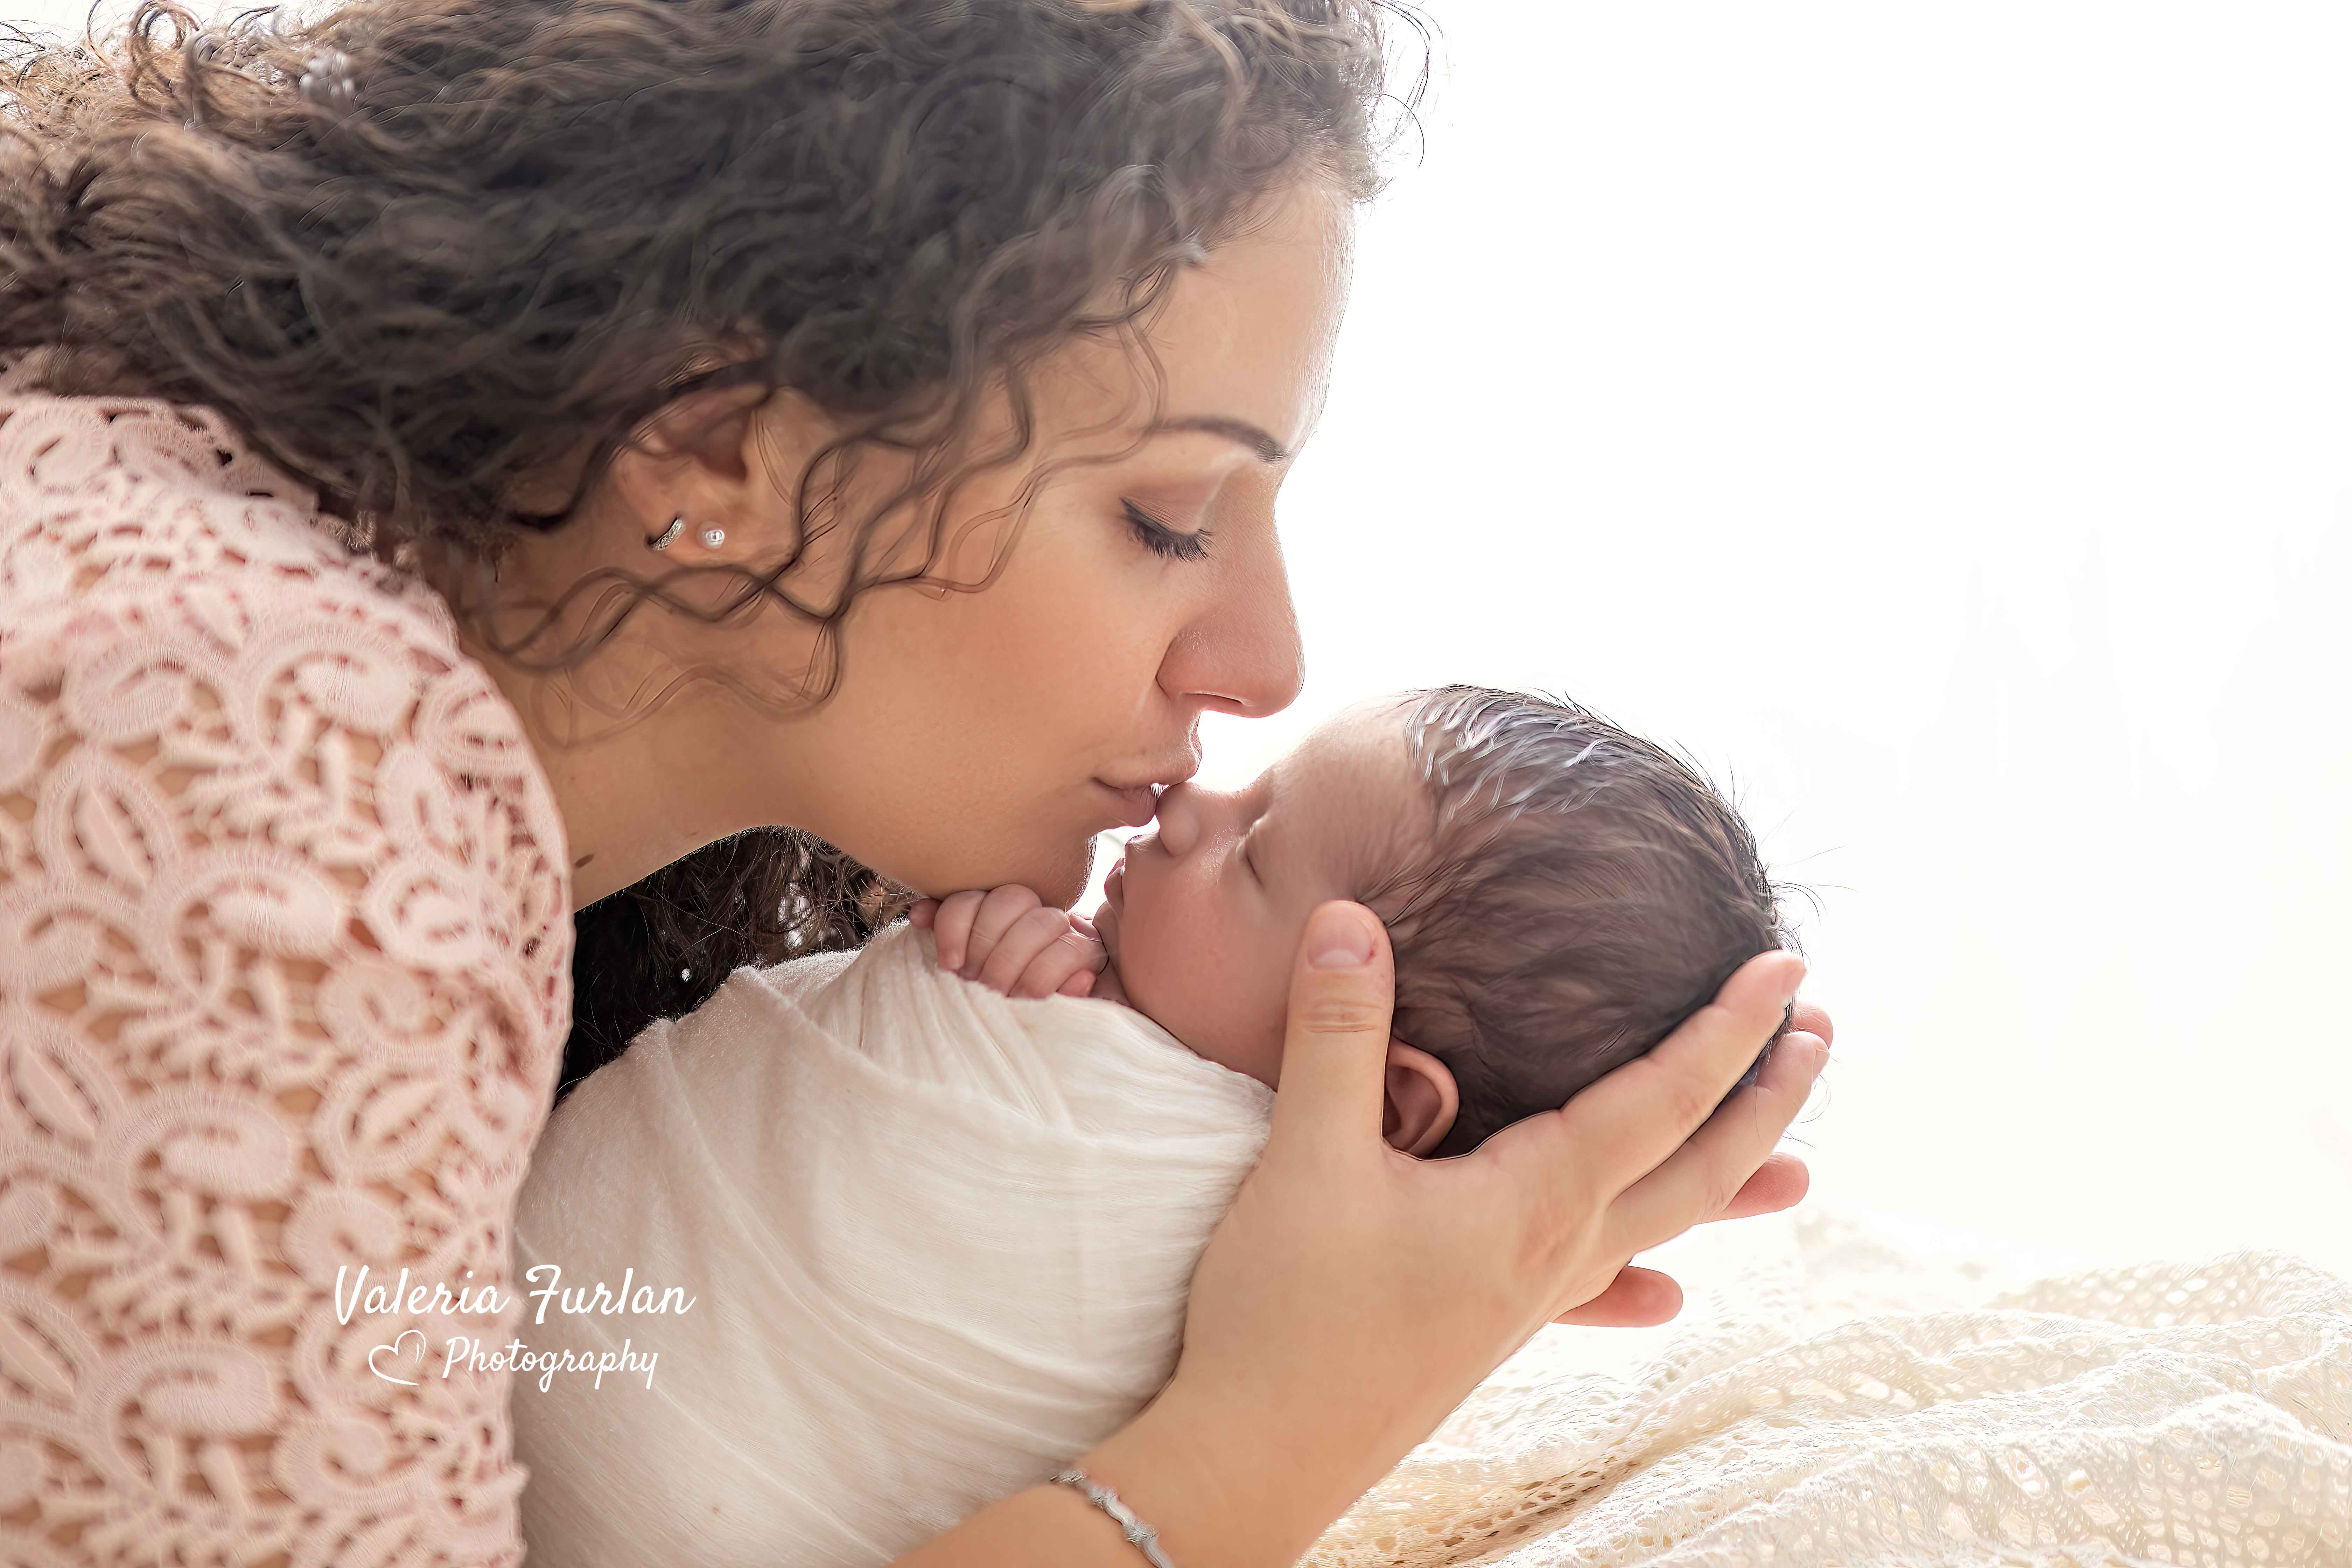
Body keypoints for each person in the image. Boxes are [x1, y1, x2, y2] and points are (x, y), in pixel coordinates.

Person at [0, 3, 1830, 1564]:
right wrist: (1272, 1435)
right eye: (1167, 515)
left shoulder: (361, 696)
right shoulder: (239, 786)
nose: (1267, 664)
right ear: (718, 443)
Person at [507, 685, 1798, 1567]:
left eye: (1253, 854)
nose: (1187, 807)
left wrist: (980, 980)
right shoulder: (1094, 1022)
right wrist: (971, 975)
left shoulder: (1247, 1225)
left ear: (1391, 1101)